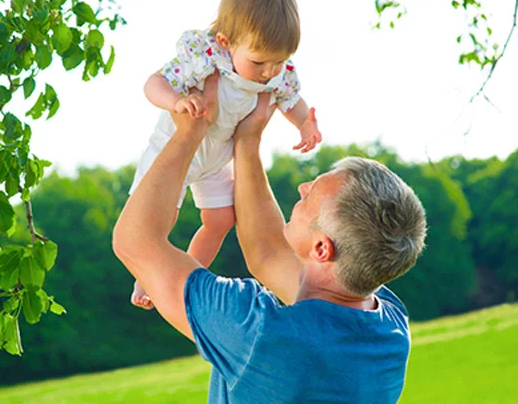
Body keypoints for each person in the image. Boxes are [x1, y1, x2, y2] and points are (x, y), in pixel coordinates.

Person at [112, 74, 427, 403]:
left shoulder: (259, 331)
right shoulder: (388, 328)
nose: (303, 188)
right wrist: (247, 142)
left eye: (312, 197)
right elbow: (268, 253)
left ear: (322, 248)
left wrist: (189, 131)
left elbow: (135, 242)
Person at [128, 0, 322, 309]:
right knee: (159, 221)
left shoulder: (278, 72)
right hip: (172, 151)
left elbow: (291, 101)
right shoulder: (203, 59)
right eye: (259, 61)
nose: (269, 72)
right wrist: (176, 102)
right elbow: (153, 83)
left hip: (217, 157)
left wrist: (305, 125)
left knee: (220, 220)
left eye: (279, 61)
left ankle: (185, 280)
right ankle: (145, 279)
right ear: (225, 42)